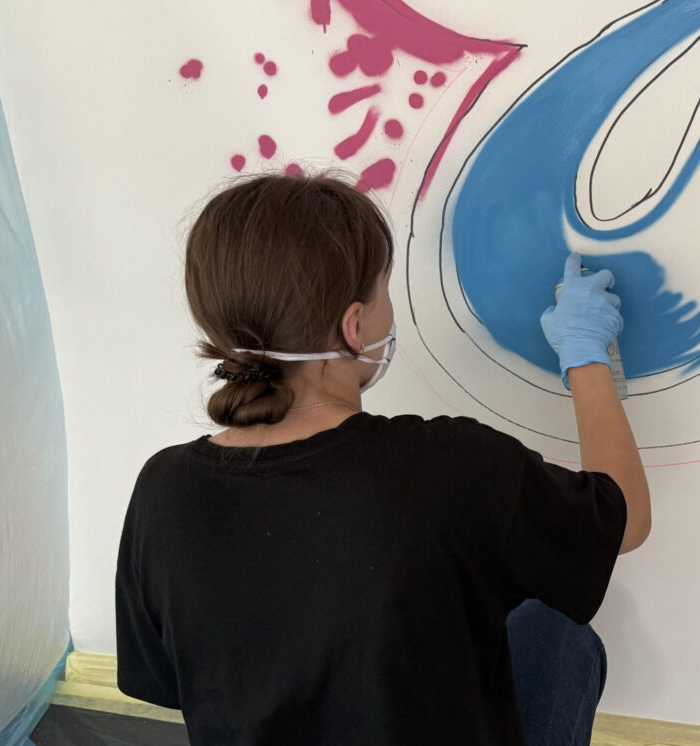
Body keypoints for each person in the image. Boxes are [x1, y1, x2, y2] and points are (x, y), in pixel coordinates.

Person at [115, 172, 651, 745]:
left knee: (545, 627)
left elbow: (167, 682)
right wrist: (586, 354)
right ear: (353, 327)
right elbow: (624, 518)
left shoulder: (163, 489)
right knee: (559, 630)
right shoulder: (449, 465)